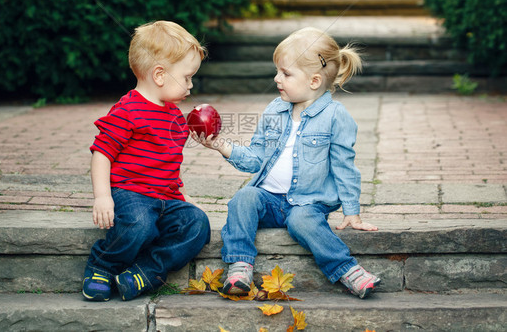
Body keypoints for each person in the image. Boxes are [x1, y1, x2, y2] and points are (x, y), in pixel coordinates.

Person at [192, 27, 381, 299]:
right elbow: (255, 158)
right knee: (244, 197)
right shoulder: (275, 110)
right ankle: (239, 265)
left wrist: (352, 212)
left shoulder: (336, 117)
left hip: (308, 202)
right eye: (278, 71)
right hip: (269, 199)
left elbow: (344, 168)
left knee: (303, 220)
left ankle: (347, 270)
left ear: (314, 81)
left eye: (286, 73)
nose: (276, 78)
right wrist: (221, 145)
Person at [82, 20, 211, 302]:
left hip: (165, 198)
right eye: (188, 77)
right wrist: (103, 197)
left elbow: (169, 167)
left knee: (198, 224)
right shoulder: (127, 109)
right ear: (160, 75)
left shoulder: (176, 117)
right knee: (139, 223)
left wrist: (185, 198)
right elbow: (102, 152)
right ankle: (102, 266)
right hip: (131, 194)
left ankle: (145, 272)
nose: (191, 84)